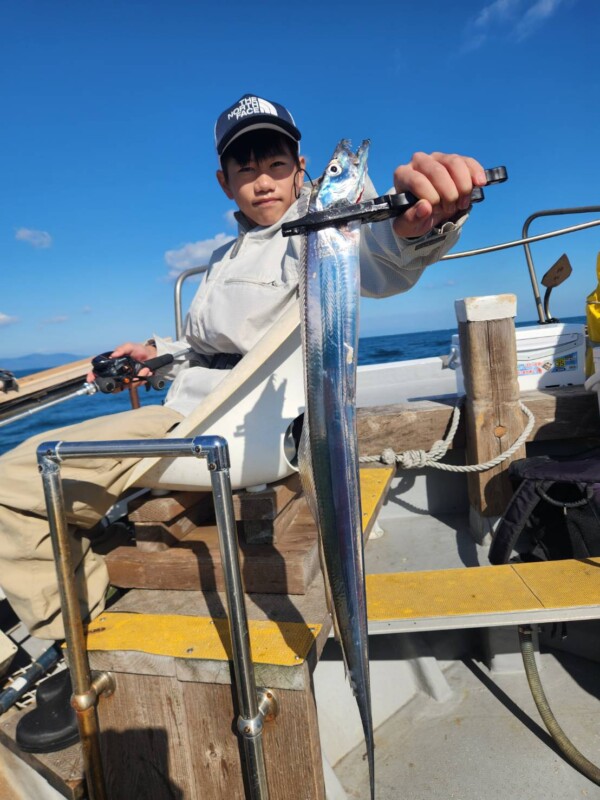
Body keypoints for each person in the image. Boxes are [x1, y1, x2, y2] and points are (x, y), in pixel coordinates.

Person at [0, 93, 485, 644]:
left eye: (278, 165)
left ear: (303, 172)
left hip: (217, 427)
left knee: (8, 484)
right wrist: (156, 353)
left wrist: (423, 224)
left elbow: (379, 254)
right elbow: (209, 343)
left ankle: (71, 629)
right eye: (246, 169)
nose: (263, 182)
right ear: (224, 182)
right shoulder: (223, 257)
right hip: (189, 406)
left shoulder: (316, 226)